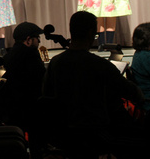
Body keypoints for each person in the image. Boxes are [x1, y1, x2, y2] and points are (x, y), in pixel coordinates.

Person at [42, 11, 144, 158]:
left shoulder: (55, 63)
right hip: (94, 134)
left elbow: (46, 96)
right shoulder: (99, 65)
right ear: (90, 33)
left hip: (62, 134)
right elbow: (134, 93)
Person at [0, 22, 46, 131]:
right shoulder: (31, 55)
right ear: (28, 40)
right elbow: (41, 81)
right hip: (28, 113)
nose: (39, 41)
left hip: (10, 114)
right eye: (37, 37)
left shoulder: (7, 56)